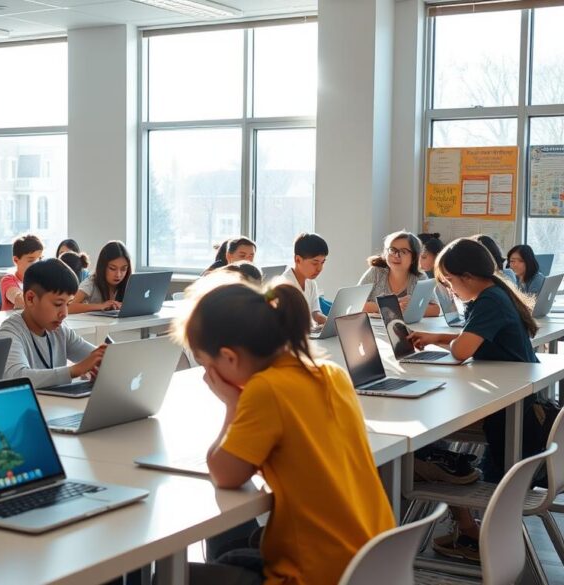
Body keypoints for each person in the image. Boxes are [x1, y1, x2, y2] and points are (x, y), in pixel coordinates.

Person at [175, 273, 393, 584]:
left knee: (172, 578)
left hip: (317, 573)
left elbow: (225, 474)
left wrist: (232, 405)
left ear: (229, 357)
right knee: (232, 555)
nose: (208, 373)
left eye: (206, 364)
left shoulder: (266, 389)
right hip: (370, 561)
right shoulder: (330, 373)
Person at [407, 237, 548, 561]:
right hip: (517, 406)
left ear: (467, 277)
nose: (450, 291)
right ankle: (467, 526)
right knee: (437, 444)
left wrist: (444, 343)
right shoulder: (496, 295)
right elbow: (473, 339)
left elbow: (461, 352)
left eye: (450, 282)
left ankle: (469, 530)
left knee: (430, 445)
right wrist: (436, 337)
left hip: (513, 421)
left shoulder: (489, 301)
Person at [0, 258, 106, 389]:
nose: (64, 313)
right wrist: (74, 371)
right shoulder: (10, 332)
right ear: (30, 299)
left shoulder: (60, 330)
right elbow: (18, 377)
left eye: (68, 304)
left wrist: (105, 359)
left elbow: (93, 357)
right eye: (58, 304)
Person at [358, 231, 439, 317]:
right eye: (392, 250)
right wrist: (390, 306)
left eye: (403, 251)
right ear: (386, 253)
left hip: (409, 329)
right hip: (375, 329)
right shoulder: (375, 273)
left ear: (414, 257)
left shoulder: (419, 278)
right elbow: (356, 304)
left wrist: (412, 307)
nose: (396, 255)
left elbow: (435, 309)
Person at [70, 240, 132, 314]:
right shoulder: (91, 283)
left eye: (123, 269)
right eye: (112, 268)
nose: (118, 274)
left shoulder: (130, 283)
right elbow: (69, 307)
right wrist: (100, 306)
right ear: (103, 266)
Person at [280, 233, 328, 326]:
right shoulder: (284, 285)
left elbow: (316, 314)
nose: (319, 268)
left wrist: (333, 324)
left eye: (322, 262)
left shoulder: (311, 283)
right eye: (315, 263)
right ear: (298, 260)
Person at [0, 234, 44, 311]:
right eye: (31, 260)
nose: (37, 263)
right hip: (14, 322)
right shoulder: (8, 280)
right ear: (16, 260)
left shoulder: (41, 280)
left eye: (40, 259)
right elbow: (19, 299)